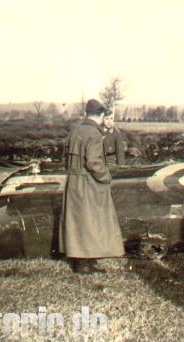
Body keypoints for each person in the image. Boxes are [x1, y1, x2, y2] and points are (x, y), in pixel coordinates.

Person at [59, 99, 124, 274]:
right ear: (102, 115)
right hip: (87, 181)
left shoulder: (76, 129)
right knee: (89, 220)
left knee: (77, 221)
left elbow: (65, 157)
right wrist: (106, 177)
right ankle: (83, 262)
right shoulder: (94, 133)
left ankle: (82, 259)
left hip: (73, 180)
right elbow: (94, 163)